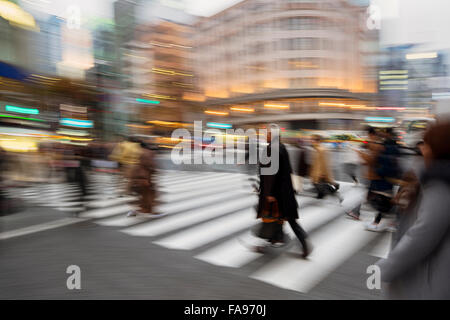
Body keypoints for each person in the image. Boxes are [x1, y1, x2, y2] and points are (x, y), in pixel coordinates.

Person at [376, 121, 450, 299]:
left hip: (428, 280)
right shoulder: (433, 177)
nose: (422, 149)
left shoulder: (440, 184)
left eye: (426, 144)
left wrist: (385, 268)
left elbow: (423, 234)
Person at [257, 124, 312, 258]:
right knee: (281, 218)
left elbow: (270, 174)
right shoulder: (282, 147)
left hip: (276, 193)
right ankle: (274, 240)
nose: (266, 135)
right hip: (284, 191)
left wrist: (270, 193)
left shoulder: (272, 149)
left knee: (275, 217)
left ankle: (299, 243)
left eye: (268, 133)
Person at [127, 141, 160, 217]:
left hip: (136, 177)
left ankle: (139, 210)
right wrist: (154, 172)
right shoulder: (147, 153)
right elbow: (151, 165)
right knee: (148, 195)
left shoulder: (136, 152)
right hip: (144, 177)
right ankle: (149, 211)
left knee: (140, 195)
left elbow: (133, 165)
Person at [309, 134, 343, 201]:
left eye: (312, 140)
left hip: (320, 173)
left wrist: (322, 173)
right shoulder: (316, 149)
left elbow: (324, 163)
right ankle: (321, 197)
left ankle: (336, 195)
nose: (311, 141)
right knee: (320, 187)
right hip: (317, 173)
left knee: (322, 187)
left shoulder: (321, 150)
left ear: (317, 141)